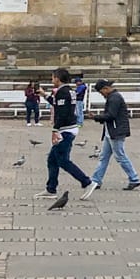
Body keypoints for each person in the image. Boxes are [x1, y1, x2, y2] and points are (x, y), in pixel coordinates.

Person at [38, 67, 92, 199]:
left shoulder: (63, 92)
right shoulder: (68, 91)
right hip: (69, 128)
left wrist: (55, 130)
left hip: (65, 130)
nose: (52, 80)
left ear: (57, 78)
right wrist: (44, 95)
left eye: (52, 77)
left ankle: (86, 182)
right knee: (52, 160)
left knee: (63, 160)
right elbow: (58, 105)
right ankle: (51, 189)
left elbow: (61, 113)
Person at [85, 78, 140, 195]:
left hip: (116, 131)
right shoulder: (113, 97)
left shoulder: (114, 98)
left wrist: (96, 117)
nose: (101, 94)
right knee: (103, 156)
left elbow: (111, 115)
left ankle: (134, 178)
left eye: (101, 92)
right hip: (110, 131)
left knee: (120, 155)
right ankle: (96, 180)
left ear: (106, 89)